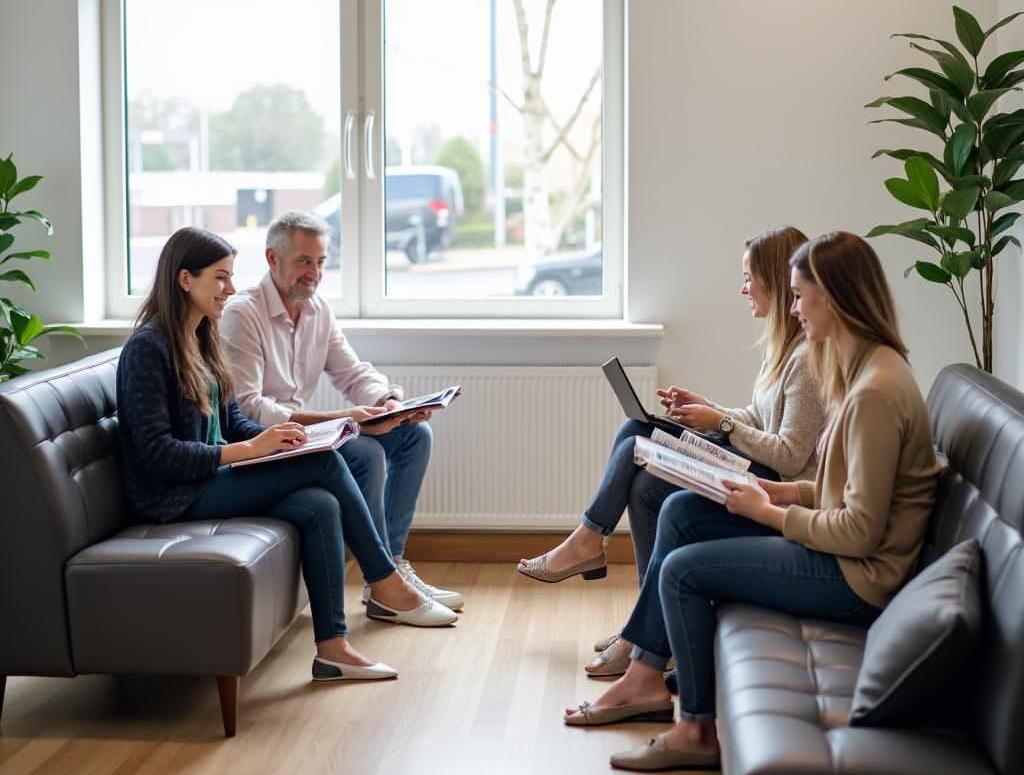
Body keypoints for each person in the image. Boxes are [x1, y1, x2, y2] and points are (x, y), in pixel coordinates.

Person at [564, 232, 940, 773]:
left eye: (798, 296)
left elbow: (860, 531)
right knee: (679, 511)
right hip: (842, 549)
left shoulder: (875, 392)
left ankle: (694, 731)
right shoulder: (863, 368)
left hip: (858, 578)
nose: (792, 310)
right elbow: (846, 488)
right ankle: (644, 679)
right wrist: (778, 492)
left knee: (684, 572)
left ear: (830, 297)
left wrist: (768, 511)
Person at [116, 229, 458, 685]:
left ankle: (333, 649)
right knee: (325, 463)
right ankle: (386, 581)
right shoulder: (148, 348)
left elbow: (235, 419)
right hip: (173, 495)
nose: (230, 289)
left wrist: (281, 438)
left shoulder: (202, 338)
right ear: (184, 279)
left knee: (322, 503)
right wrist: (250, 450)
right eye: (220, 278)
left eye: (231, 277)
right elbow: (156, 453)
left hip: (211, 478)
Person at [517, 226, 828, 676]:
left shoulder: (806, 358)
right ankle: (646, 625)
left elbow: (790, 457)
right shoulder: (780, 346)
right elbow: (759, 420)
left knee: (636, 448)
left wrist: (719, 424)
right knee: (638, 444)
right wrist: (709, 408)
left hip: (775, 486)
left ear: (776, 282)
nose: (743, 289)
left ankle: (589, 546)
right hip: (761, 464)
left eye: (748, 278)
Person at [220, 210, 463, 616]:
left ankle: (395, 566)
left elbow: (353, 372)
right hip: (264, 441)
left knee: (413, 435)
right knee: (365, 453)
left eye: (320, 262)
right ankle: (380, 581)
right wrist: (342, 420)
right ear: (272, 258)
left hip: (304, 434)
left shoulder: (318, 311)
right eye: (303, 261)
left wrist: (387, 403)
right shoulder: (242, 314)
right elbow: (248, 408)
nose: (313, 273)